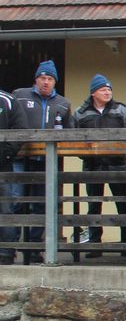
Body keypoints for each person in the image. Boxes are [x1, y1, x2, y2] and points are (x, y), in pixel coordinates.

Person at [12, 60, 74, 260]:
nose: (45, 82)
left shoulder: (63, 104)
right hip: (20, 157)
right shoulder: (19, 96)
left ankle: (35, 247)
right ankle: (7, 248)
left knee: (42, 203)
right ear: (36, 79)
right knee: (15, 200)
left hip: (47, 159)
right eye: (42, 78)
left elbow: (70, 132)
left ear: (55, 82)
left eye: (50, 79)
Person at [73, 74, 126, 258]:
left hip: (117, 164)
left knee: (123, 205)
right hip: (92, 166)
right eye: (103, 89)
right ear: (93, 92)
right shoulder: (80, 113)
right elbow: (72, 139)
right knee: (94, 206)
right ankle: (94, 245)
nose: (107, 92)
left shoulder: (122, 110)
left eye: (109, 89)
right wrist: (85, 154)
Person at [0, 87, 26, 265]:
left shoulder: (8, 100)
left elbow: (19, 131)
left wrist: (4, 155)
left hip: (2, 165)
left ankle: (6, 252)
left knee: (5, 208)